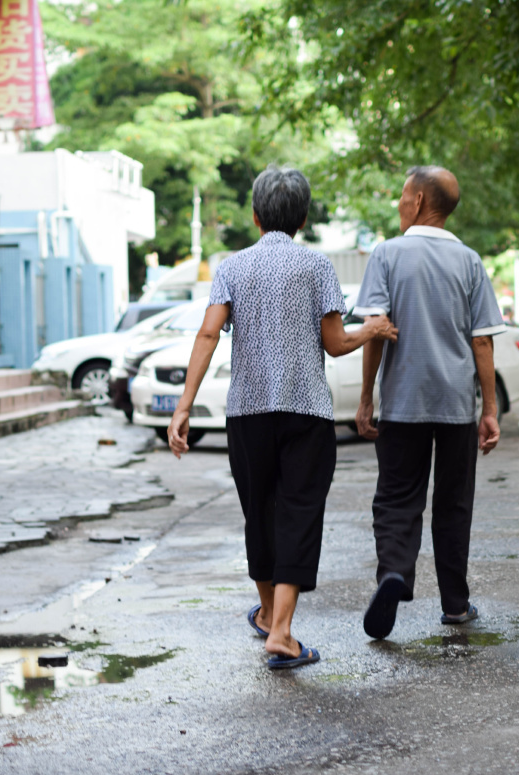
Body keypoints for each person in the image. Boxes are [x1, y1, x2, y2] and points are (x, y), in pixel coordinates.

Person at [166, 166, 397, 670]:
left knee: (259, 513)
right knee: (298, 513)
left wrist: (185, 405)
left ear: (254, 216)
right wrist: (372, 330)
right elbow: (336, 345)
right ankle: (282, 632)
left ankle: (271, 613)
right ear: (305, 217)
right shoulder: (316, 267)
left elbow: (207, 336)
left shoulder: (231, 267)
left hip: (247, 414)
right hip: (306, 412)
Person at [354, 165, 505, 641]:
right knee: (454, 502)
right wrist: (489, 409)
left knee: (397, 498)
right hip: (457, 403)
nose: (399, 204)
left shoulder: (387, 255)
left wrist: (366, 398)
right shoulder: (470, 261)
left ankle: (394, 574)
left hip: (402, 402)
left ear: (418, 200)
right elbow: (483, 342)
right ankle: (455, 605)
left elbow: (376, 331)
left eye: (402, 196)